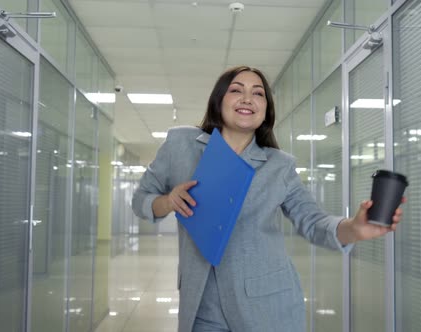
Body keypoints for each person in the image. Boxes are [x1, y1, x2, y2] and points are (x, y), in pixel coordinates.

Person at [132, 65, 405, 332]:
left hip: (267, 307)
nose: (248, 98)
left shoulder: (279, 165)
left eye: (258, 93)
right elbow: (142, 198)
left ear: (266, 110)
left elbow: (312, 221)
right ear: (218, 101)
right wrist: (168, 201)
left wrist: (353, 228)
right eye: (236, 90)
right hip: (202, 306)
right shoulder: (181, 145)